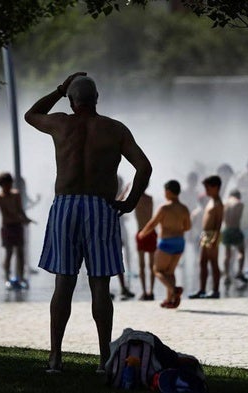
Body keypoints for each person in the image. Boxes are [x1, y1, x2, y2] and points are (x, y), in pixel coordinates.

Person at [24, 72, 152, 373]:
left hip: (66, 206)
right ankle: (104, 359)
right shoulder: (114, 129)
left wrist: (58, 88)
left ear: (71, 101)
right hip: (100, 206)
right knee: (100, 285)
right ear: (97, 100)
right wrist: (131, 201)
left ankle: (56, 358)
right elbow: (144, 167)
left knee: (63, 284)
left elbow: (31, 114)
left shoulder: (61, 123)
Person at [138, 180, 191, 308]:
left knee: (157, 270)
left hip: (167, 242)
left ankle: (174, 290)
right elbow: (188, 226)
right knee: (170, 272)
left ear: (168, 192)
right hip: (179, 242)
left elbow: (153, 223)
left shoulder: (164, 208)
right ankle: (170, 300)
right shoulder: (184, 208)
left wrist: (142, 233)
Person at [0, 172, 33, 290]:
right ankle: (7, 278)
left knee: (20, 253)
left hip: (17, 226)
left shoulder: (16, 195)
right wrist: (21, 218)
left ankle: (21, 277)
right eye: (6, 184)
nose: (8, 186)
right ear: (1, 185)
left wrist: (25, 219)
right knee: (9, 253)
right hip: (7, 226)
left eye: (10, 184)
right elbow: (6, 213)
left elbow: (20, 210)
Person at [189, 175, 224, 299]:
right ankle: (202, 289)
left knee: (213, 263)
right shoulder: (211, 201)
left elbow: (219, 223)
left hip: (212, 235)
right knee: (202, 262)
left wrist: (215, 238)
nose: (206, 191)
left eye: (208, 188)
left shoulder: (218, 204)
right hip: (205, 235)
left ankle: (215, 290)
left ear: (216, 187)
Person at [221, 189, 248, 289]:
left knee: (227, 254)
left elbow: (222, 218)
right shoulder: (239, 203)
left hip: (227, 230)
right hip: (236, 229)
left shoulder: (225, 203)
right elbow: (238, 217)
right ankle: (239, 272)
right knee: (241, 251)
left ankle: (227, 275)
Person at [134, 192, 156, 301]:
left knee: (143, 265)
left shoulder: (136, 198)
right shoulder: (149, 198)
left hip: (142, 231)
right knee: (150, 265)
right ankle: (150, 291)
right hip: (150, 231)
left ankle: (146, 291)